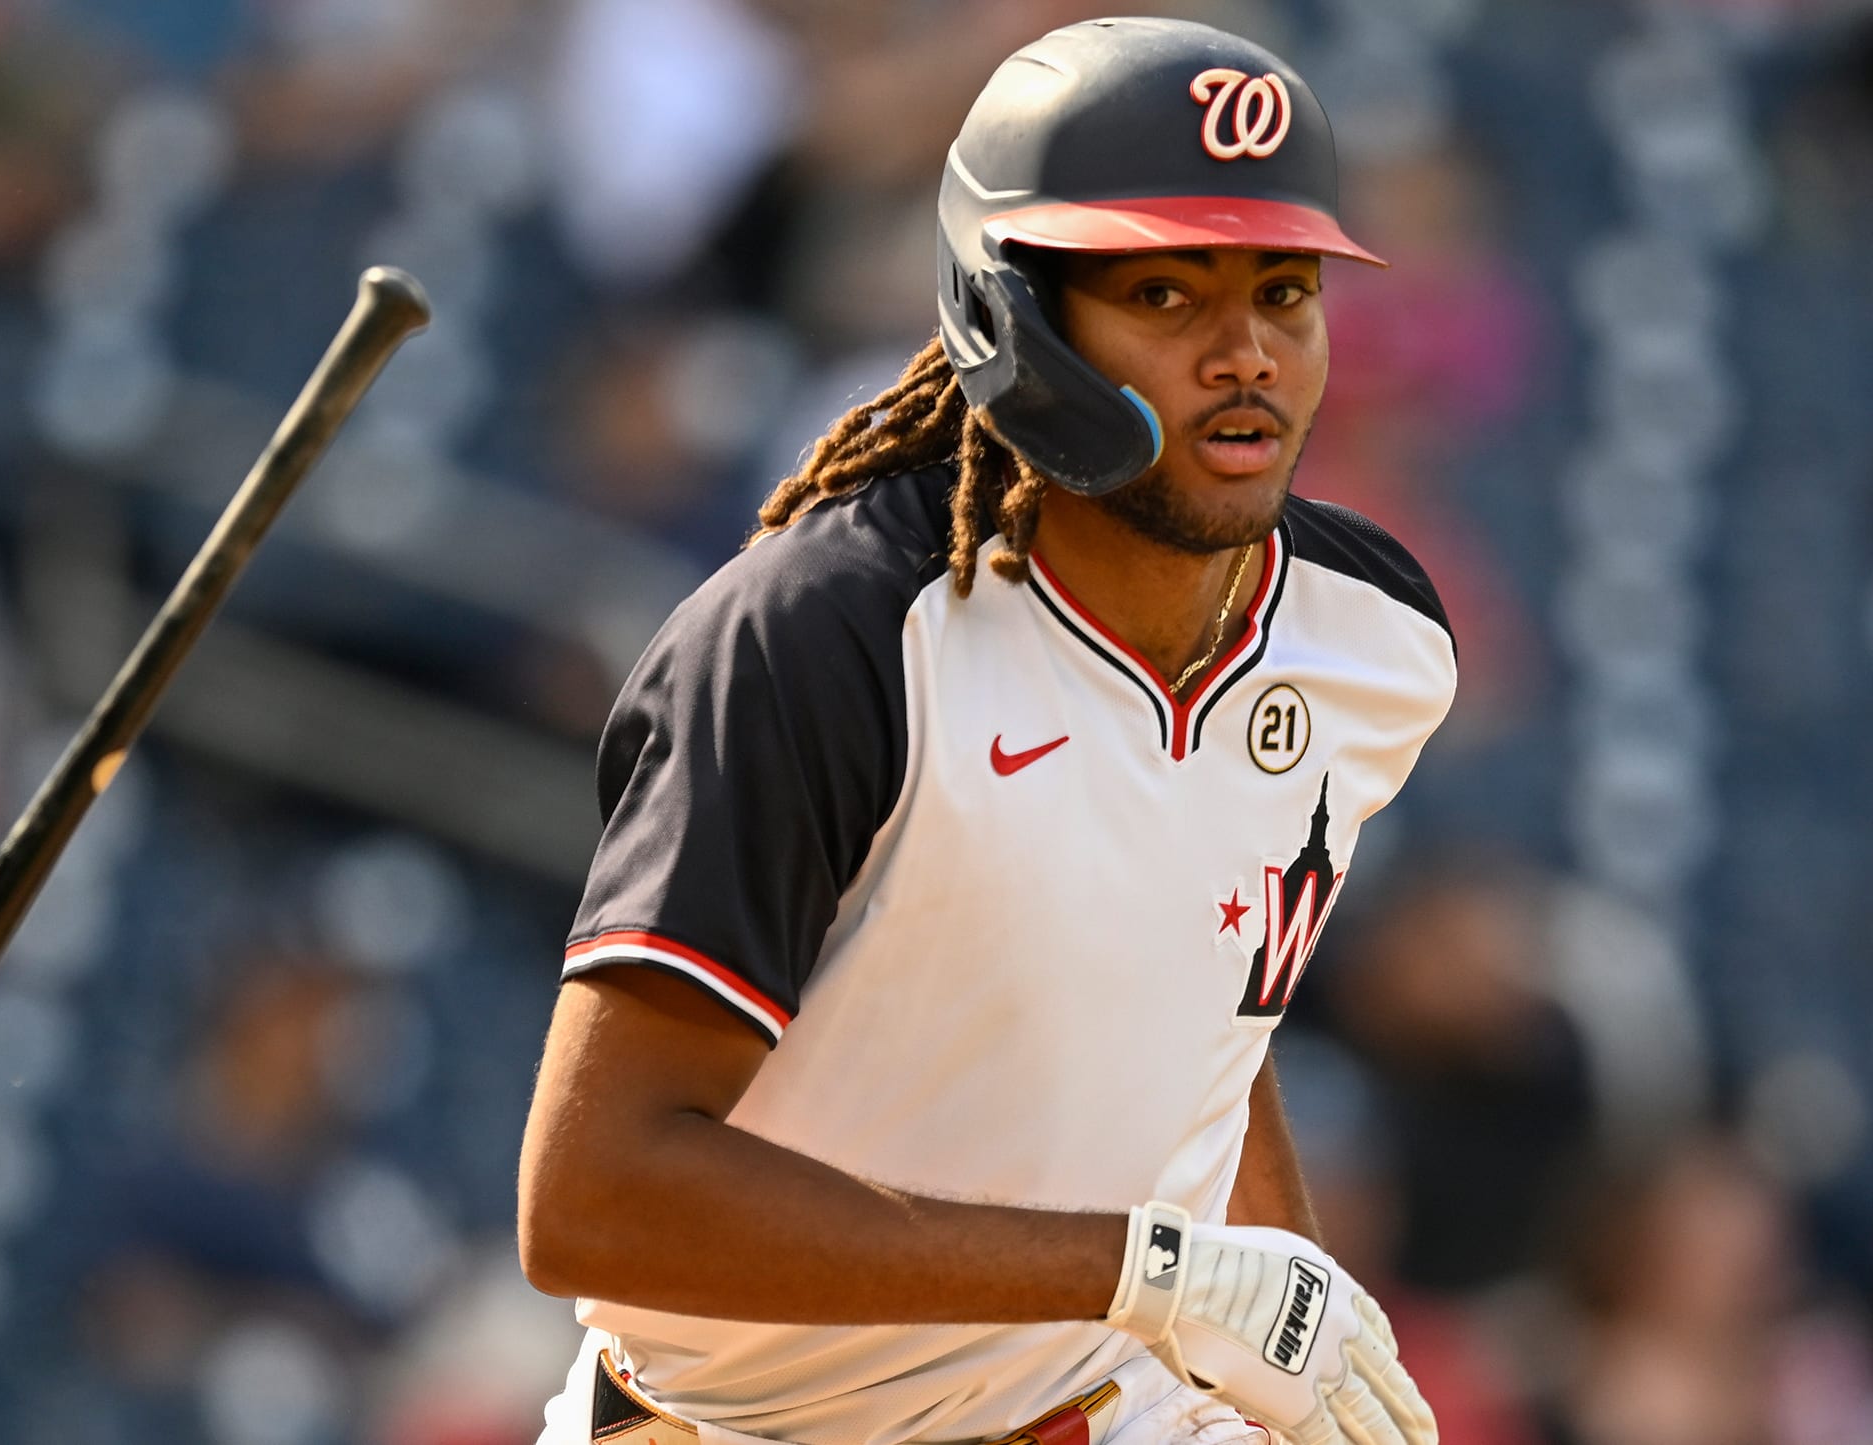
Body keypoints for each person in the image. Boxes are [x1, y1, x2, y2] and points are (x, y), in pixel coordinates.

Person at [516, 19, 1454, 1445]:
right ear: (1008, 312)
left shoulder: (1373, 637)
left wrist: (1282, 1306)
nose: (1247, 352)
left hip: (1099, 1401)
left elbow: (1207, 965)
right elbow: (592, 1201)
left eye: (1283, 289)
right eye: (1163, 290)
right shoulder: (826, 640)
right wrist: (1156, 1272)